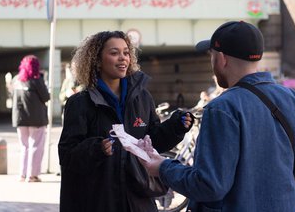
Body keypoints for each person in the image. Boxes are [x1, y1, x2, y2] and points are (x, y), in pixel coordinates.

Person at [140, 21, 295, 211]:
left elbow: (209, 185)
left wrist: (163, 167)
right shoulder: (292, 99)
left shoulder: (222, 108)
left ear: (222, 59)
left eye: (212, 55)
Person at [58, 31, 194, 212]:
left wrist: (175, 127)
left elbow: (153, 142)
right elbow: (67, 155)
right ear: (97, 60)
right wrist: (96, 148)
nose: (122, 58)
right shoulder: (80, 103)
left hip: (137, 200)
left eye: (126, 53)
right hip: (98, 200)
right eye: (114, 53)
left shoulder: (143, 97)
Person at [12, 55, 50, 183]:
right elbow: (46, 97)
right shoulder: (37, 80)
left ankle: (22, 174)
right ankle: (32, 175)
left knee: (24, 146)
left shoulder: (17, 80)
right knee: (36, 146)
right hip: (36, 118)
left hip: (20, 119)